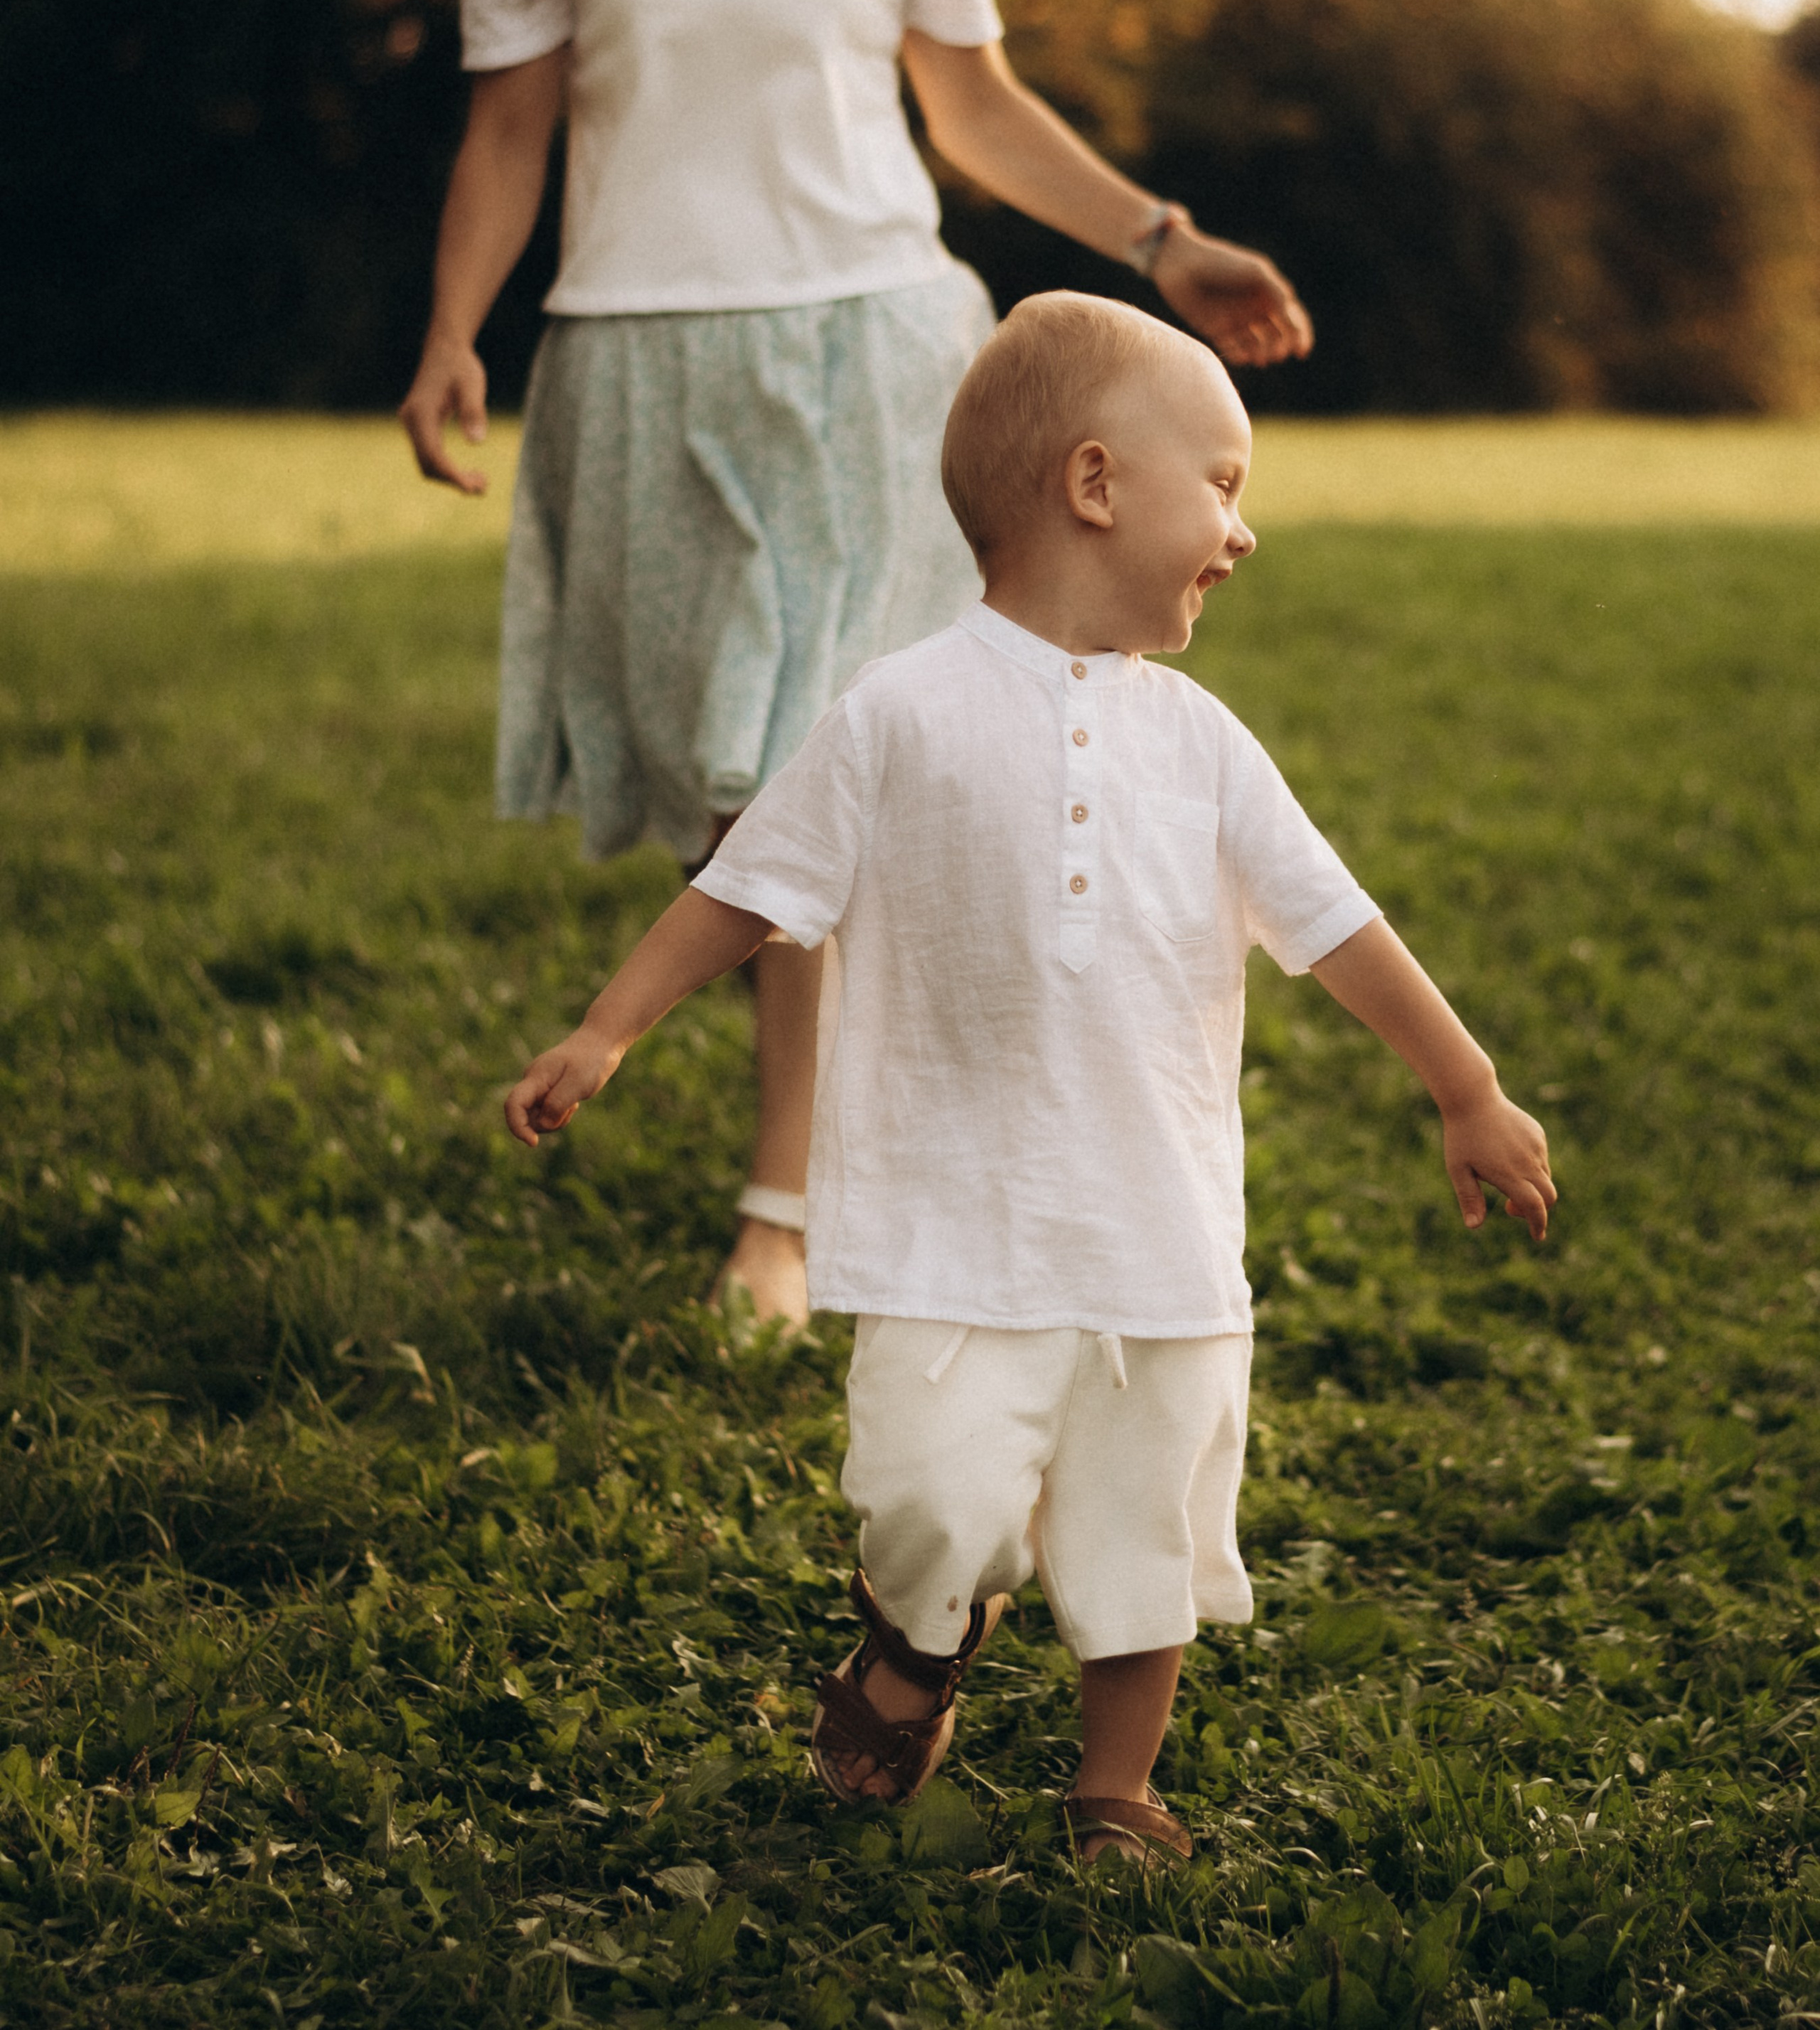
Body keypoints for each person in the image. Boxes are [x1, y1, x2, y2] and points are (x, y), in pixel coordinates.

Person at [400, 0, 1313, 1332]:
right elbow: (508, 129)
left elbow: (968, 100)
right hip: (640, 351)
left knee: (805, 764)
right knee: (721, 796)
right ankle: (877, 1131)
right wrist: (449, 334)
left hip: (871, 348)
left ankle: (784, 1209)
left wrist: (1162, 241)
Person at [502, 292, 1557, 1861]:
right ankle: (918, 1635)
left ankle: (1114, 1788)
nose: (1242, 530)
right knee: (932, 1498)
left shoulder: (1204, 745)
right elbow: (747, 891)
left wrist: (1464, 1087)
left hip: (1156, 1233)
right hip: (951, 1224)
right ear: (1093, 484)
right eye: (1223, 484)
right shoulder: (897, 712)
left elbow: (1339, 927)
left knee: (1143, 1534)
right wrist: (608, 1028)